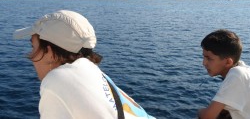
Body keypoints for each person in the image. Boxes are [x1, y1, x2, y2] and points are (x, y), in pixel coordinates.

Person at [13, 10, 155, 119]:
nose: (31, 56)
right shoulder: (91, 70)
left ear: (49, 52)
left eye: (33, 46)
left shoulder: (58, 79)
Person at [198, 29, 250, 119]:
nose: (204, 63)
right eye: (204, 57)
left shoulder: (237, 74)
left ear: (228, 62)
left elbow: (208, 116)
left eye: (209, 58)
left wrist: (200, 111)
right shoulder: (245, 69)